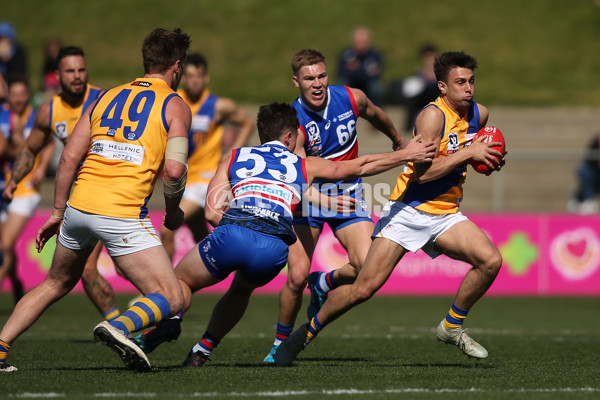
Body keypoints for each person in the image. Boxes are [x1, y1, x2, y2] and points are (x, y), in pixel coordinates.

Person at [132, 102, 435, 367]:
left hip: (233, 235)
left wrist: (236, 228)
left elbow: (211, 212)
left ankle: (169, 321)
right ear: (289, 137)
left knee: (182, 282)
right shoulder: (304, 165)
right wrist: (407, 153)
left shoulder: (236, 156)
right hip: (274, 251)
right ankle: (202, 349)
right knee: (241, 289)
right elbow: (361, 165)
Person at [273, 51, 505, 366]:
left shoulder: (480, 114)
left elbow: (473, 155)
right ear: (442, 87)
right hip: (408, 210)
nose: (469, 89)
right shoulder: (432, 117)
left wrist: (489, 159)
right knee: (363, 289)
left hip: (446, 213)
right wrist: (468, 155)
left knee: (491, 261)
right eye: (460, 82)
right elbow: (423, 175)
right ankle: (305, 333)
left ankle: (451, 326)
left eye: (471, 81)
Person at [0, 27, 192, 372]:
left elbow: (69, 158)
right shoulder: (175, 105)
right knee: (173, 296)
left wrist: (58, 211)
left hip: (79, 206)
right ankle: (118, 326)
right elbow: (175, 172)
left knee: (54, 283)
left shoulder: (105, 97)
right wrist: (174, 212)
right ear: (176, 67)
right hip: (122, 214)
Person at [263, 48, 407, 363]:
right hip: (310, 201)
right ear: (296, 81)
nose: (317, 84)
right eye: (309, 78)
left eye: (322, 76)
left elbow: (375, 113)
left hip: (348, 196)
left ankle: (324, 283)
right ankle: (280, 342)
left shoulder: (350, 97)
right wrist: (323, 200)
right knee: (296, 276)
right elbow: (299, 179)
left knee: (367, 268)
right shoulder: (294, 123)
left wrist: (397, 139)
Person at [2, 46, 121, 322]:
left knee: (114, 268)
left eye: (81, 70)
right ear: (57, 75)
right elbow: (30, 150)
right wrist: (14, 180)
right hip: (83, 200)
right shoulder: (49, 111)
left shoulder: (105, 100)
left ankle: (132, 323)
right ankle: (122, 327)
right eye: (70, 71)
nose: (77, 76)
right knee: (86, 271)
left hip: (115, 191)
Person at [159, 52, 254, 260]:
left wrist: (232, 153)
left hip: (204, 181)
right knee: (202, 238)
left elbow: (248, 122)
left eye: (199, 76)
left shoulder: (218, 105)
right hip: (182, 180)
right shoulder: (174, 101)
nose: (195, 80)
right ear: (183, 76)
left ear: (206, 77)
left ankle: (165, 287)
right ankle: (228, 265)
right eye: (190, 75)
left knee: (167, 229)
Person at [0, 75, 56, 304]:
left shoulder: (35, 116)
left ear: (27, 95)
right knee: (5, 246)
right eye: (14, 94)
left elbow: (50, 142)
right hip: (6, 189)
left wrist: (42, 168)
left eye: (22, 94)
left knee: (4, 245)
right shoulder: (6, 116)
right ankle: (15, 282)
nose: (18, 98)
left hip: (27, 191)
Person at [337, 27, 384, 107]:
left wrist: (356, 71)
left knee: (376, 88)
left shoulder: (374, 55)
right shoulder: (347, 54)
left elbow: (376, 74)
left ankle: (377, 110)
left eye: (364, 43)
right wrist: (362, 72)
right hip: (351, 83)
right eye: (358, 43)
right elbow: (340, 72)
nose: (361, 46)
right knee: (342, 85)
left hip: (368, 84)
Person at [400, 44, 439, 133]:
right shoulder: (419, 72)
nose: (429, 60)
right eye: (427, 57)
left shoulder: (440, 73)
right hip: (422, 98)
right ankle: (408, 127)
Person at [567, 132, 600, 214]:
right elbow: (589, 159)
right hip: (595, 173)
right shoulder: (597, 141)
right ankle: (587, 200)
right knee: (583, 170)